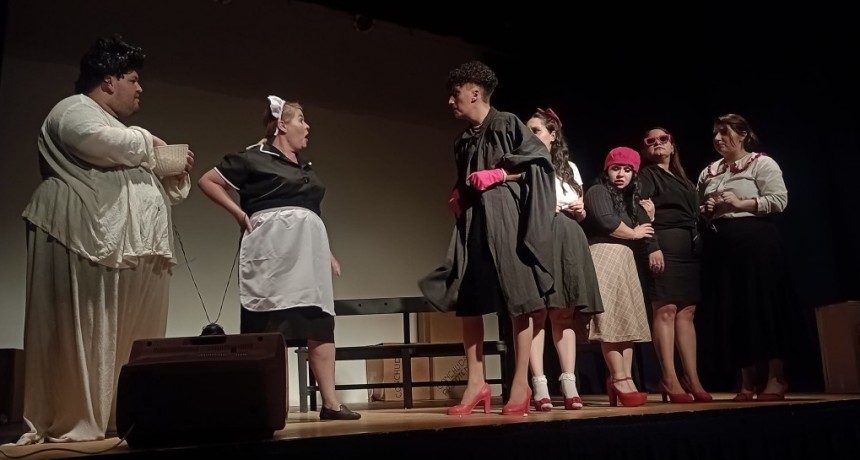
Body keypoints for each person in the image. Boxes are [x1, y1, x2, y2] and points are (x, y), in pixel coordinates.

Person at [16, 34, 193, 444]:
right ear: (109, 80)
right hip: (85, 237)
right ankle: (78, 416)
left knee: (129, 336)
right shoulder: (74, 109)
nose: (140, 88)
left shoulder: (120, 130)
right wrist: (150, 144)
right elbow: (94, 142)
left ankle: (122, 414)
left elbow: (144, 175)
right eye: (133, 79)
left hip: (128, 248)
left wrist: (171, 169)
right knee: (91, 329)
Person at [197, 96, 360, 420]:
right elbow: (207, 181)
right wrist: (239, 215)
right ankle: (267, 403)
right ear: (282, 125)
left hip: (308, 256)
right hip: (272, 252)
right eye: (301, 119)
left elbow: (310, 213)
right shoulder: (252, 157)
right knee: (269, 325)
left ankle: (330, 403)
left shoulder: (304, 168)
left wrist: (325, 252)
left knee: (320, 324)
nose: (307, 126)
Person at [419, 61, 556, 416]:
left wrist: (501, 175)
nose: (451, 101)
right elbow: (466, 178)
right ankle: (477, 383)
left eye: (456, 93)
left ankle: (520, 383)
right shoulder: (462, 140)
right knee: (470, 298)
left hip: (507, 222)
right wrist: (457, 194)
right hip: (475, 225)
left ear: (475, 92)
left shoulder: (507, 123)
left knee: (519, 299)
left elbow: (538, 162)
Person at [697, 113, 791, 401]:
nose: (717, 138)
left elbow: (779, 200)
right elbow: (700, 205)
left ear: (743, 135)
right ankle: (747, 381)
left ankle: (776, 378)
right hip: (722, 249)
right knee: (733, 310)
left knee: (763, 306)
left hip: (757, 245)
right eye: (715, 133)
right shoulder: (709, 171)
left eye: (724, 132)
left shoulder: (761, 163)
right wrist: (707, 208)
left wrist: (741, 203)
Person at [524, 108, 603, 411]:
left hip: (569, 239)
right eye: (528, 130)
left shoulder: (568, 168)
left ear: (553, 135)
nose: (531, 135)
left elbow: (580, 212)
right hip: (539, 237)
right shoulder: (524, 164)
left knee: (564, 313)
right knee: (537, 313)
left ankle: (568, 382)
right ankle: (539, 385)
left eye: (537, 130)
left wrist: (580, 210)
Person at [638, 127, 711, 403]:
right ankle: (668, 377)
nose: (657, 143)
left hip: (688, 249)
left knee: (687, 312)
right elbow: (640, 208)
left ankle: (691, 377)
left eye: (663, 139)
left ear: (672, 145)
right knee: (666, 309)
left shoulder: (681, 178)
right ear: (645, 149)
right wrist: (652, 245)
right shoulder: (647, 175)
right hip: (664, 246)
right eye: (650, 141)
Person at [581, 147, 655, 407]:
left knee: (625, 322)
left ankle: (625, 380)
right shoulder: (598, 191)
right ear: (607, 170)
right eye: (616, 168)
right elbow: (607, 222)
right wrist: (635, 233)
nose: (621, 174)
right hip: (604, 256)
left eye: (627, 170)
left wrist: (647, 217)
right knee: (611, 320)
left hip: (623, 259)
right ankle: (619, 377)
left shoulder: (627, 198)